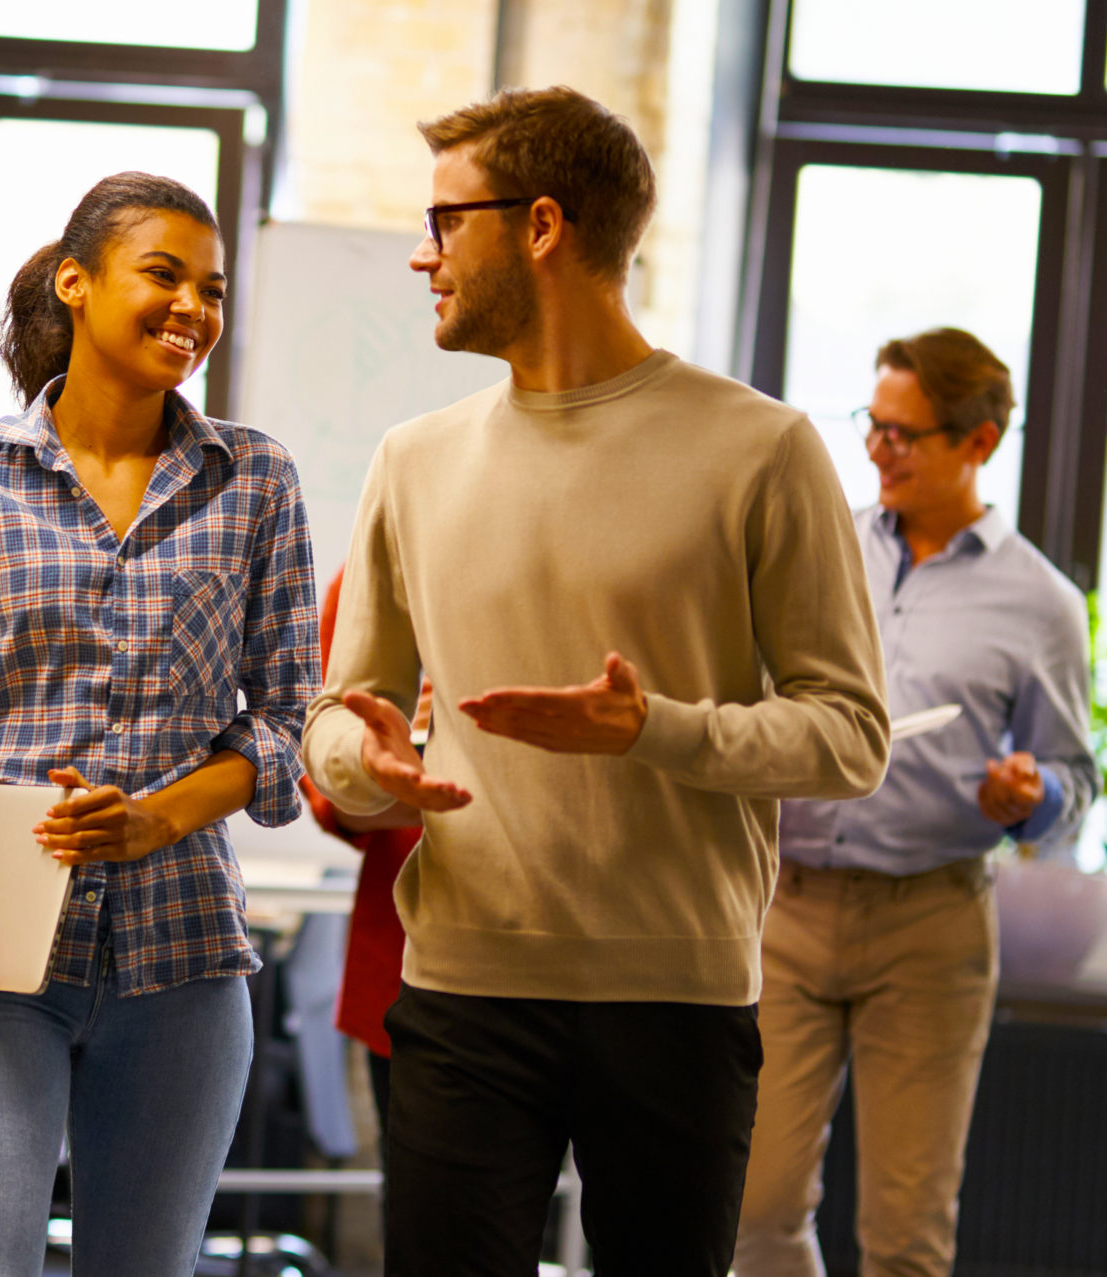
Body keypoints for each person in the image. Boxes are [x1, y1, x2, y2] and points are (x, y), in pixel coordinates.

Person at [302, 86, 890, 1275]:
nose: (422, 254)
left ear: (542, 226)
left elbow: (848, 735)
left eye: (444, 220)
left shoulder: (761, 448)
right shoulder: (411, 461)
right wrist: (366, 765)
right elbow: (333, 719)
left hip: (675, 996)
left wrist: (651, 729)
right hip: (463, 986)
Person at [0, 171, 319, 1276]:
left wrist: (156, 817)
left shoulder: (256, 480)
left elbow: (285, 720)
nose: (193, 307)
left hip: (183, 955)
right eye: (165, 274)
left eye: (212, 287)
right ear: (75, 283)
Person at [734, 329, 1097, 1277]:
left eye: (904, 434)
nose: (875, 450)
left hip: (931, 921)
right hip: (788, 906)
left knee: (906, 1232)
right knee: (756, 1205)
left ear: (977, 442)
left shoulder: (1040, 602)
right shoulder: (820, 547)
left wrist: (1034, 792)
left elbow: (1074, 779)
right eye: (871, 424)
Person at [299, 571, 425, 1128]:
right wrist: (377, 765)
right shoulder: (374, 576)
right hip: (410, 962)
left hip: (617, 960)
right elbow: (330, 793)